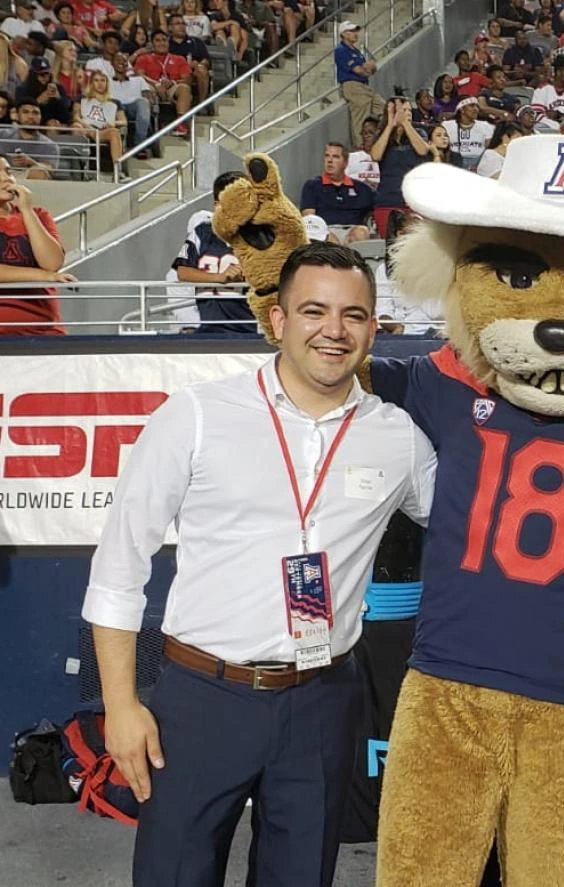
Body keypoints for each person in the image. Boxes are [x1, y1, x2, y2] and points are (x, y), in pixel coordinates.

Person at [83, 241, 435, 887]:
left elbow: (474, 530)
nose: (334, 330)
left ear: (373, 327)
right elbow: (118, 570)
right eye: (314, 311)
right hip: (202, 696)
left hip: (325, 697)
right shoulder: (196, 415)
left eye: (353, 314)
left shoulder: (398, 439)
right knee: (174, 873)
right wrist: (121, 704)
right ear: (277, 319)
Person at [172, 171, 257, 335]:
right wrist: (218, 278)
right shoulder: (201, 232)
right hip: (208, 327)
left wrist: (247, 274)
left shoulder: (257, 235)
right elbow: (183, 272)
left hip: (246, 329)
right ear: (217, 205)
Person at [0, 154, 73, 335]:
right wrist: (44, 276)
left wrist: (26, 210)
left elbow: (52, 263)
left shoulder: (39, 215)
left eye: (8, 171)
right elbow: (49, 272)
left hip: (46, 329)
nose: (6, 178)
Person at [370, 96, 430, 237]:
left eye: (409, 110)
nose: (407, 113)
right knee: (390, 243)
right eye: (403, 110)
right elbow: (375, 155)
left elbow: (422, 150)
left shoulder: (419, 133)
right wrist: (390, 125)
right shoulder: (381, 136)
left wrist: (405, 124)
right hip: (388, 199)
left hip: (413, 201)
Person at [300, 142, 374, 243]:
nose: (330, 161)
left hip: (351, 231)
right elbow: (309, 219)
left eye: (335, 157)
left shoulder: (361, 188)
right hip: (325, 232)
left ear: (345, 163)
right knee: (329, 239)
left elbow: (378, 207)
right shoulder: (312, 185)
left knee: (361, 232)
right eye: (327, 156)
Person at [335, 21, 383, 147]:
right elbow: (358, 70)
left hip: (364, 86)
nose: (355, 34)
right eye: (351, 31)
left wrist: (368, 68)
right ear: (344, 34)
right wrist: (366, 68)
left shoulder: (356, 51)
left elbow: (369, 71)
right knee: (360, 119)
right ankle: (360, 148)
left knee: (385, 108)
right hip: (353, 86)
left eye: (356, 31)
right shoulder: (341, 50)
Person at [0, 99, 60, 178]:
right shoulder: (2, 134)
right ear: (17, 116)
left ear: (40, 117)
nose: (31, 117)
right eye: (25, 112)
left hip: (27, 175)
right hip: (3, 173)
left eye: (35, 113)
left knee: (39, 173)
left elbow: (50, 169)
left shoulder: (49, 145)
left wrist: (31, 162)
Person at [443, 96, 496, 170]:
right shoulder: (447, 125)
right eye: (472, 106)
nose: (476, 109)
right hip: (453, 164)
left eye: (477, 106)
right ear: (461, 109)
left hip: (479, 165)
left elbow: (490, 150)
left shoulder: (486, 126)